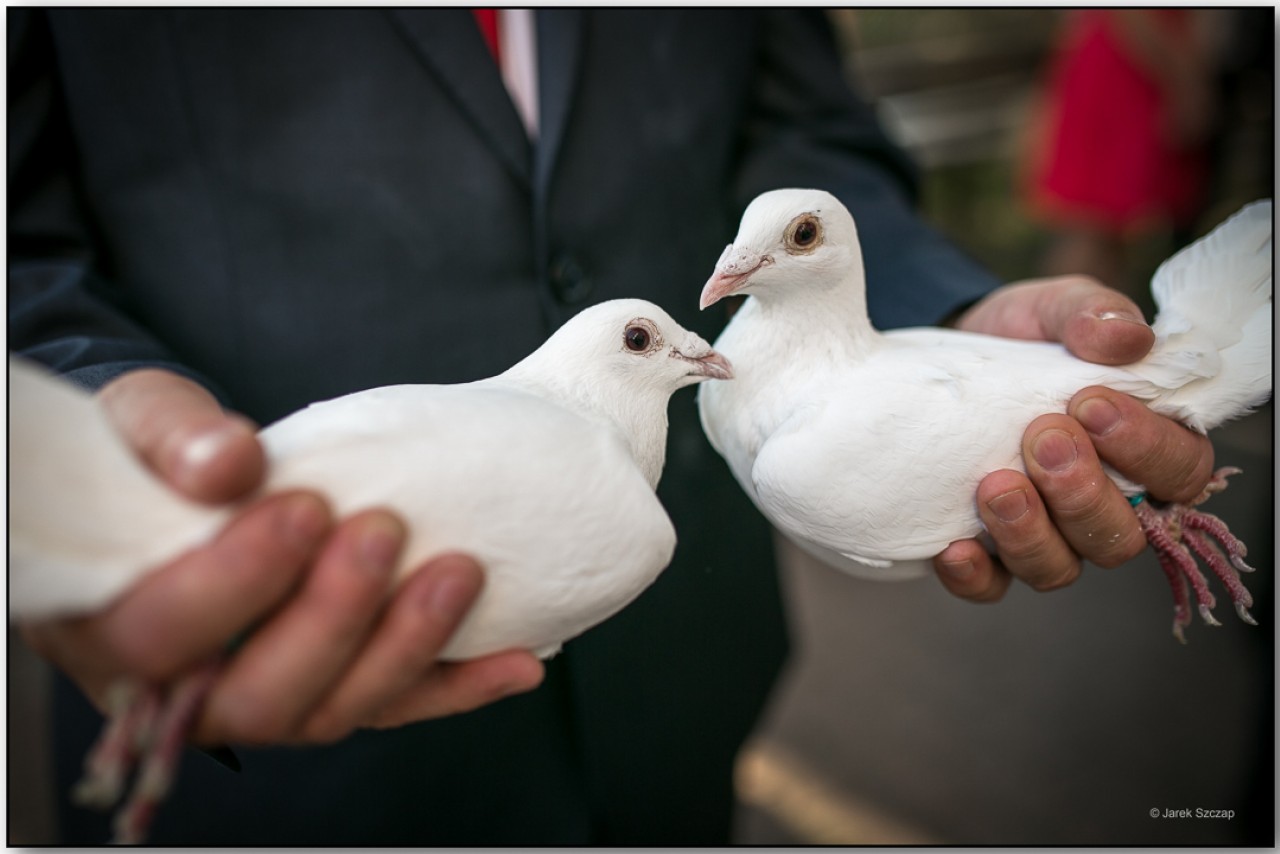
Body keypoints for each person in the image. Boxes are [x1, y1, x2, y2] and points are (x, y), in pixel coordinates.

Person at [8, 9, 1215, 845]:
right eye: (656, 345)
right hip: (280, 750)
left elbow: (803, 144)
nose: (694, 358)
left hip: (679, 697)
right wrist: (88, 422)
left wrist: (934, 333)